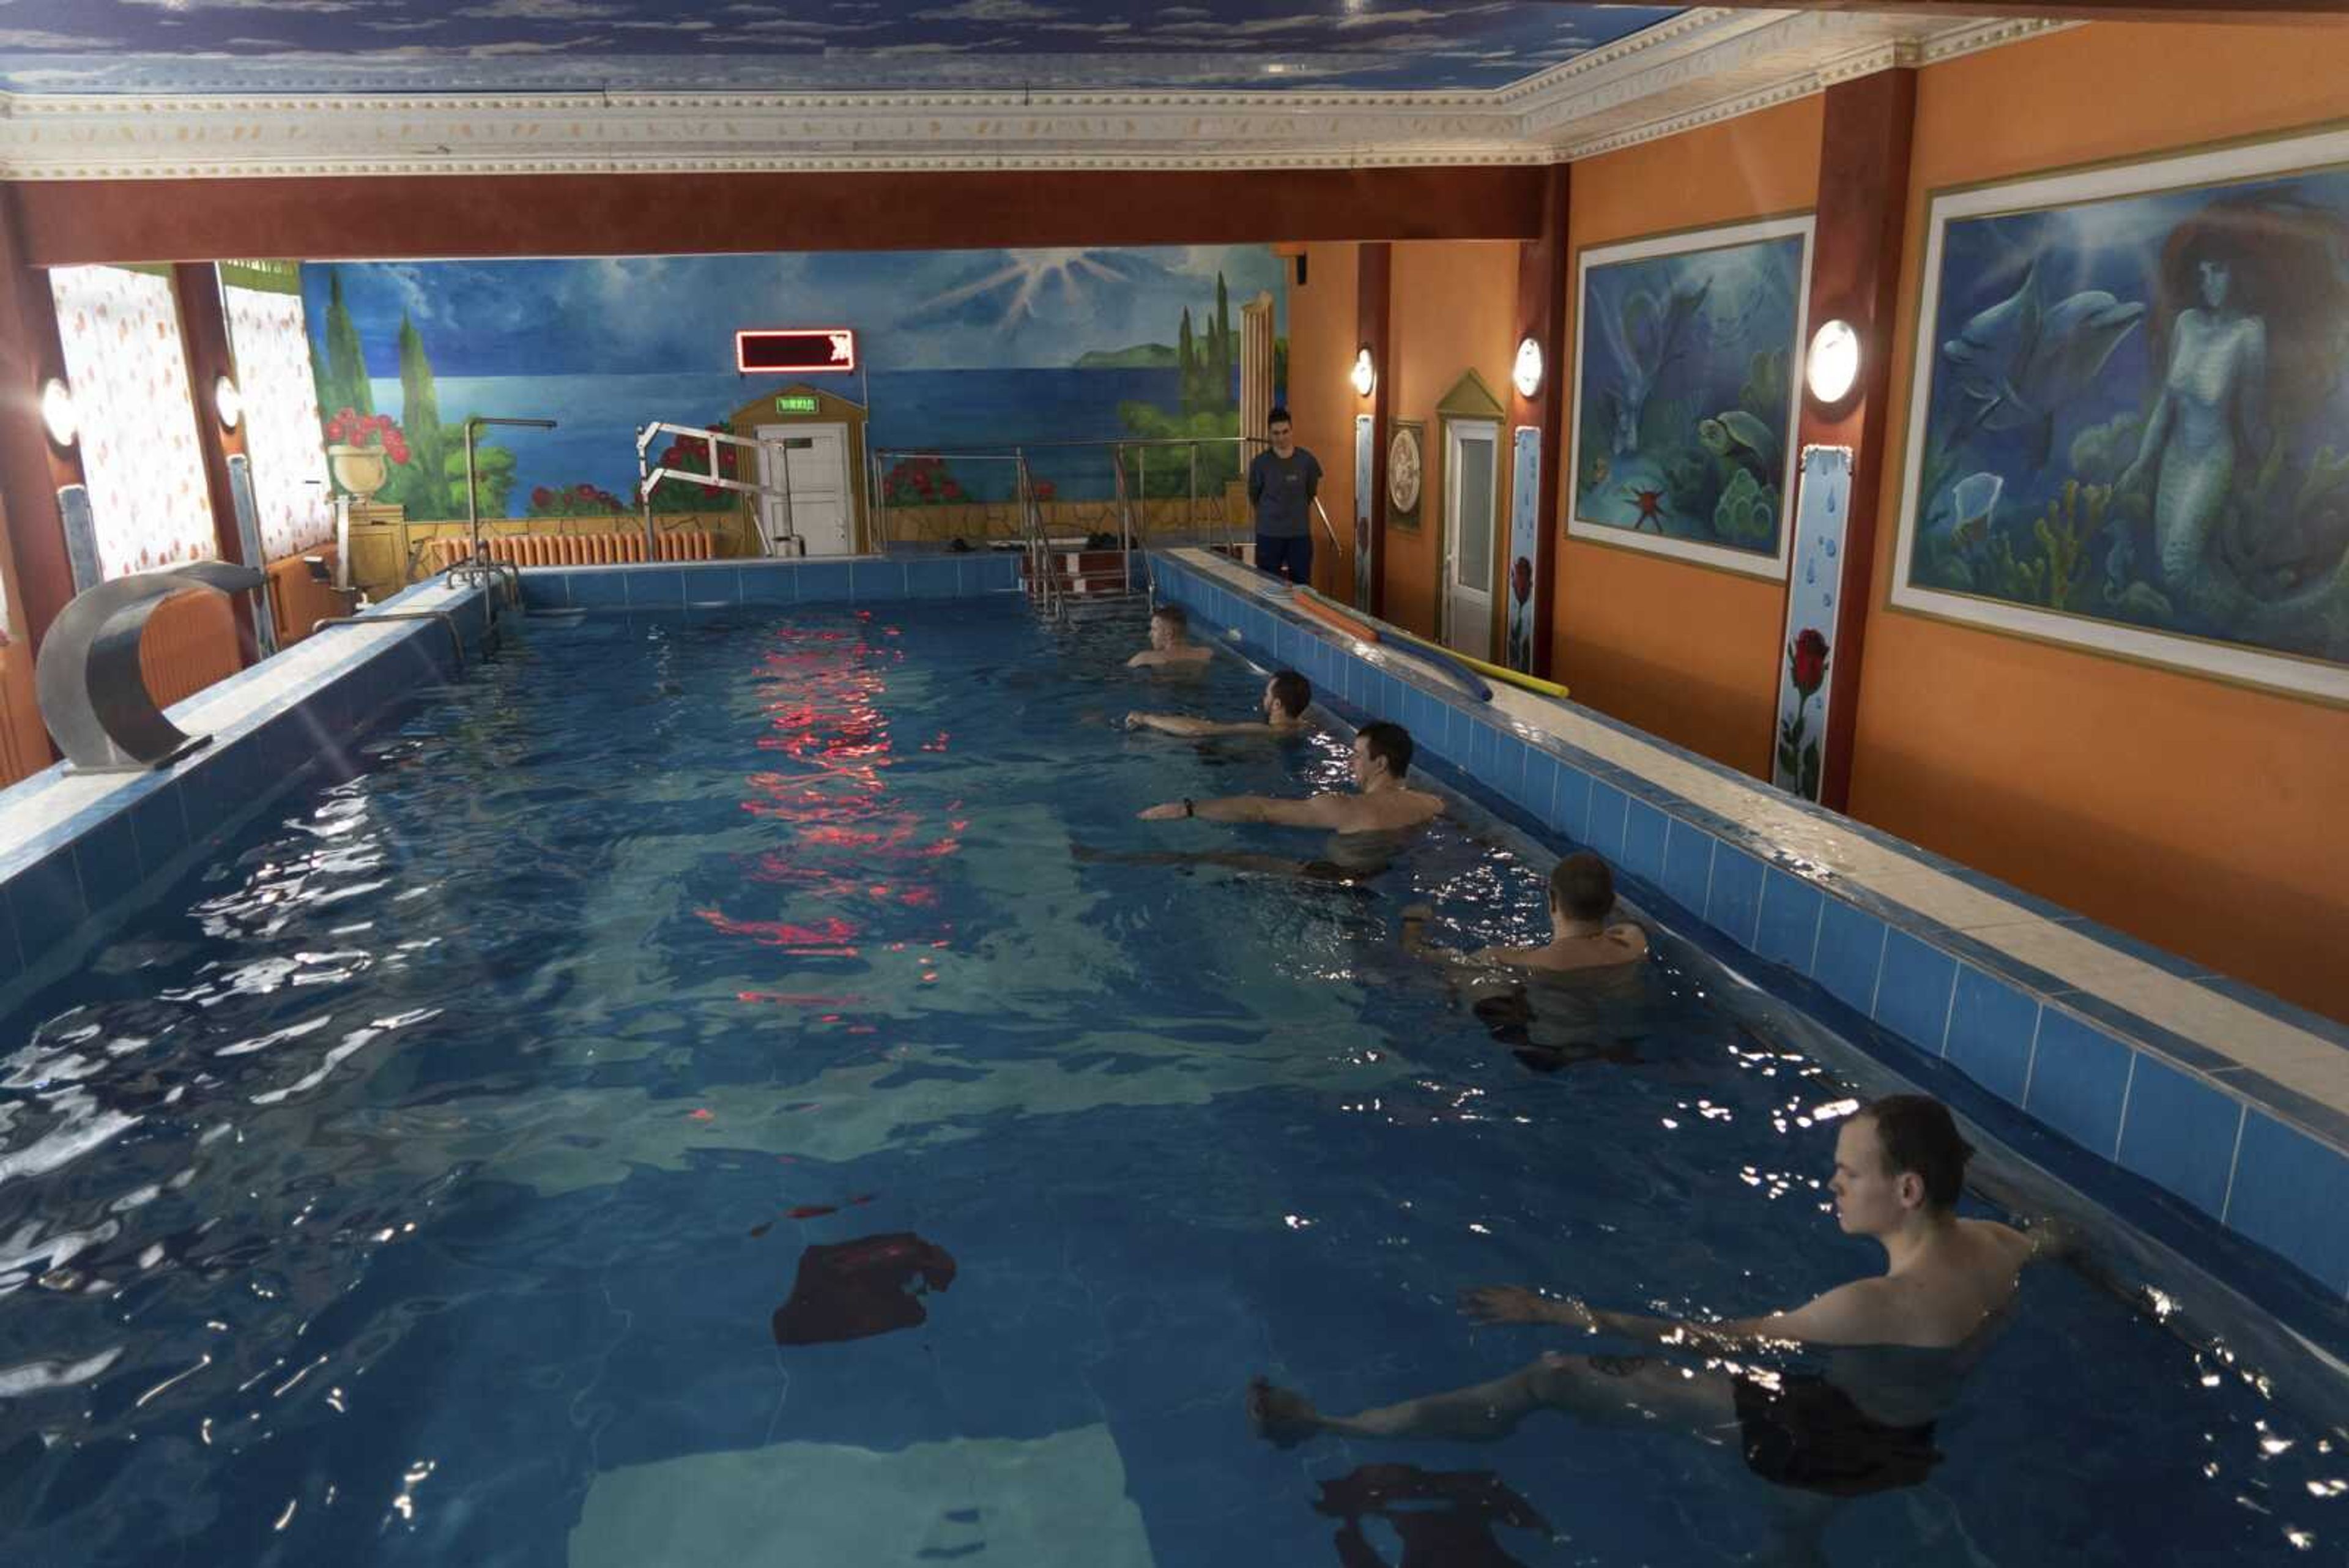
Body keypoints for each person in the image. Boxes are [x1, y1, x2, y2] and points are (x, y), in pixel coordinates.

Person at [1249, 1095, 2072, 1504]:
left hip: (1824, 1439)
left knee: (1555, 1375)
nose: (1833, 1182)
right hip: (1903, 1436)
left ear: (1909, 1187)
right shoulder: (1999, 1248)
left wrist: (1560, 1310)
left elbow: (1711, 1335)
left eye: (1849, 1172)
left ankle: (1332, 1425)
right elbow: (2055, 1238)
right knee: (1801, 1522)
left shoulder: (1869, 1304)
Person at [1138, 720, 1437, 836]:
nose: (1350, 761)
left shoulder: (1346, 807)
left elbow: (1261, 810)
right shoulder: (1433, 804)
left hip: (1337, 884)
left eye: (1358, 755)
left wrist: (1188, 809)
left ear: (1381, 764)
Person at [1400, 851, 1647, 975]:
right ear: (1611, 903)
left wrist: (1413, 926)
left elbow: (1433, 960)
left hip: (1548, 1044)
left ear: (1552, 901)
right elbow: (1628, 926)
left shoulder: (1516, 959)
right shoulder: (1635, 942)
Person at [1248, 406, 1324, 586]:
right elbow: (1254, 496)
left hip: (1299, 534)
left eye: (1285, 432)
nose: (1281, 438)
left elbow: (1311, 492)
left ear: (1292, 430)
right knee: (1267, 586)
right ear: (1269, 434)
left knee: (1302, 587)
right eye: (1276, 433)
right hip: (1269, 534)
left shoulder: (1307, 461)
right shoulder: (1260, 464)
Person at [1127, 669, 1311, 739]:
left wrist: (1147, 718)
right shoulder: (1303, 725)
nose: (1263, 699)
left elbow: (1198, 730)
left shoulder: (1266, 730)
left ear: (1277, 704)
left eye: (1266, 695)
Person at [1127, 603, 1215, 669]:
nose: (1149, 635)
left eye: (1154, 629)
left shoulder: (1145, 658)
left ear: (1169, 633)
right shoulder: (1206, 654)